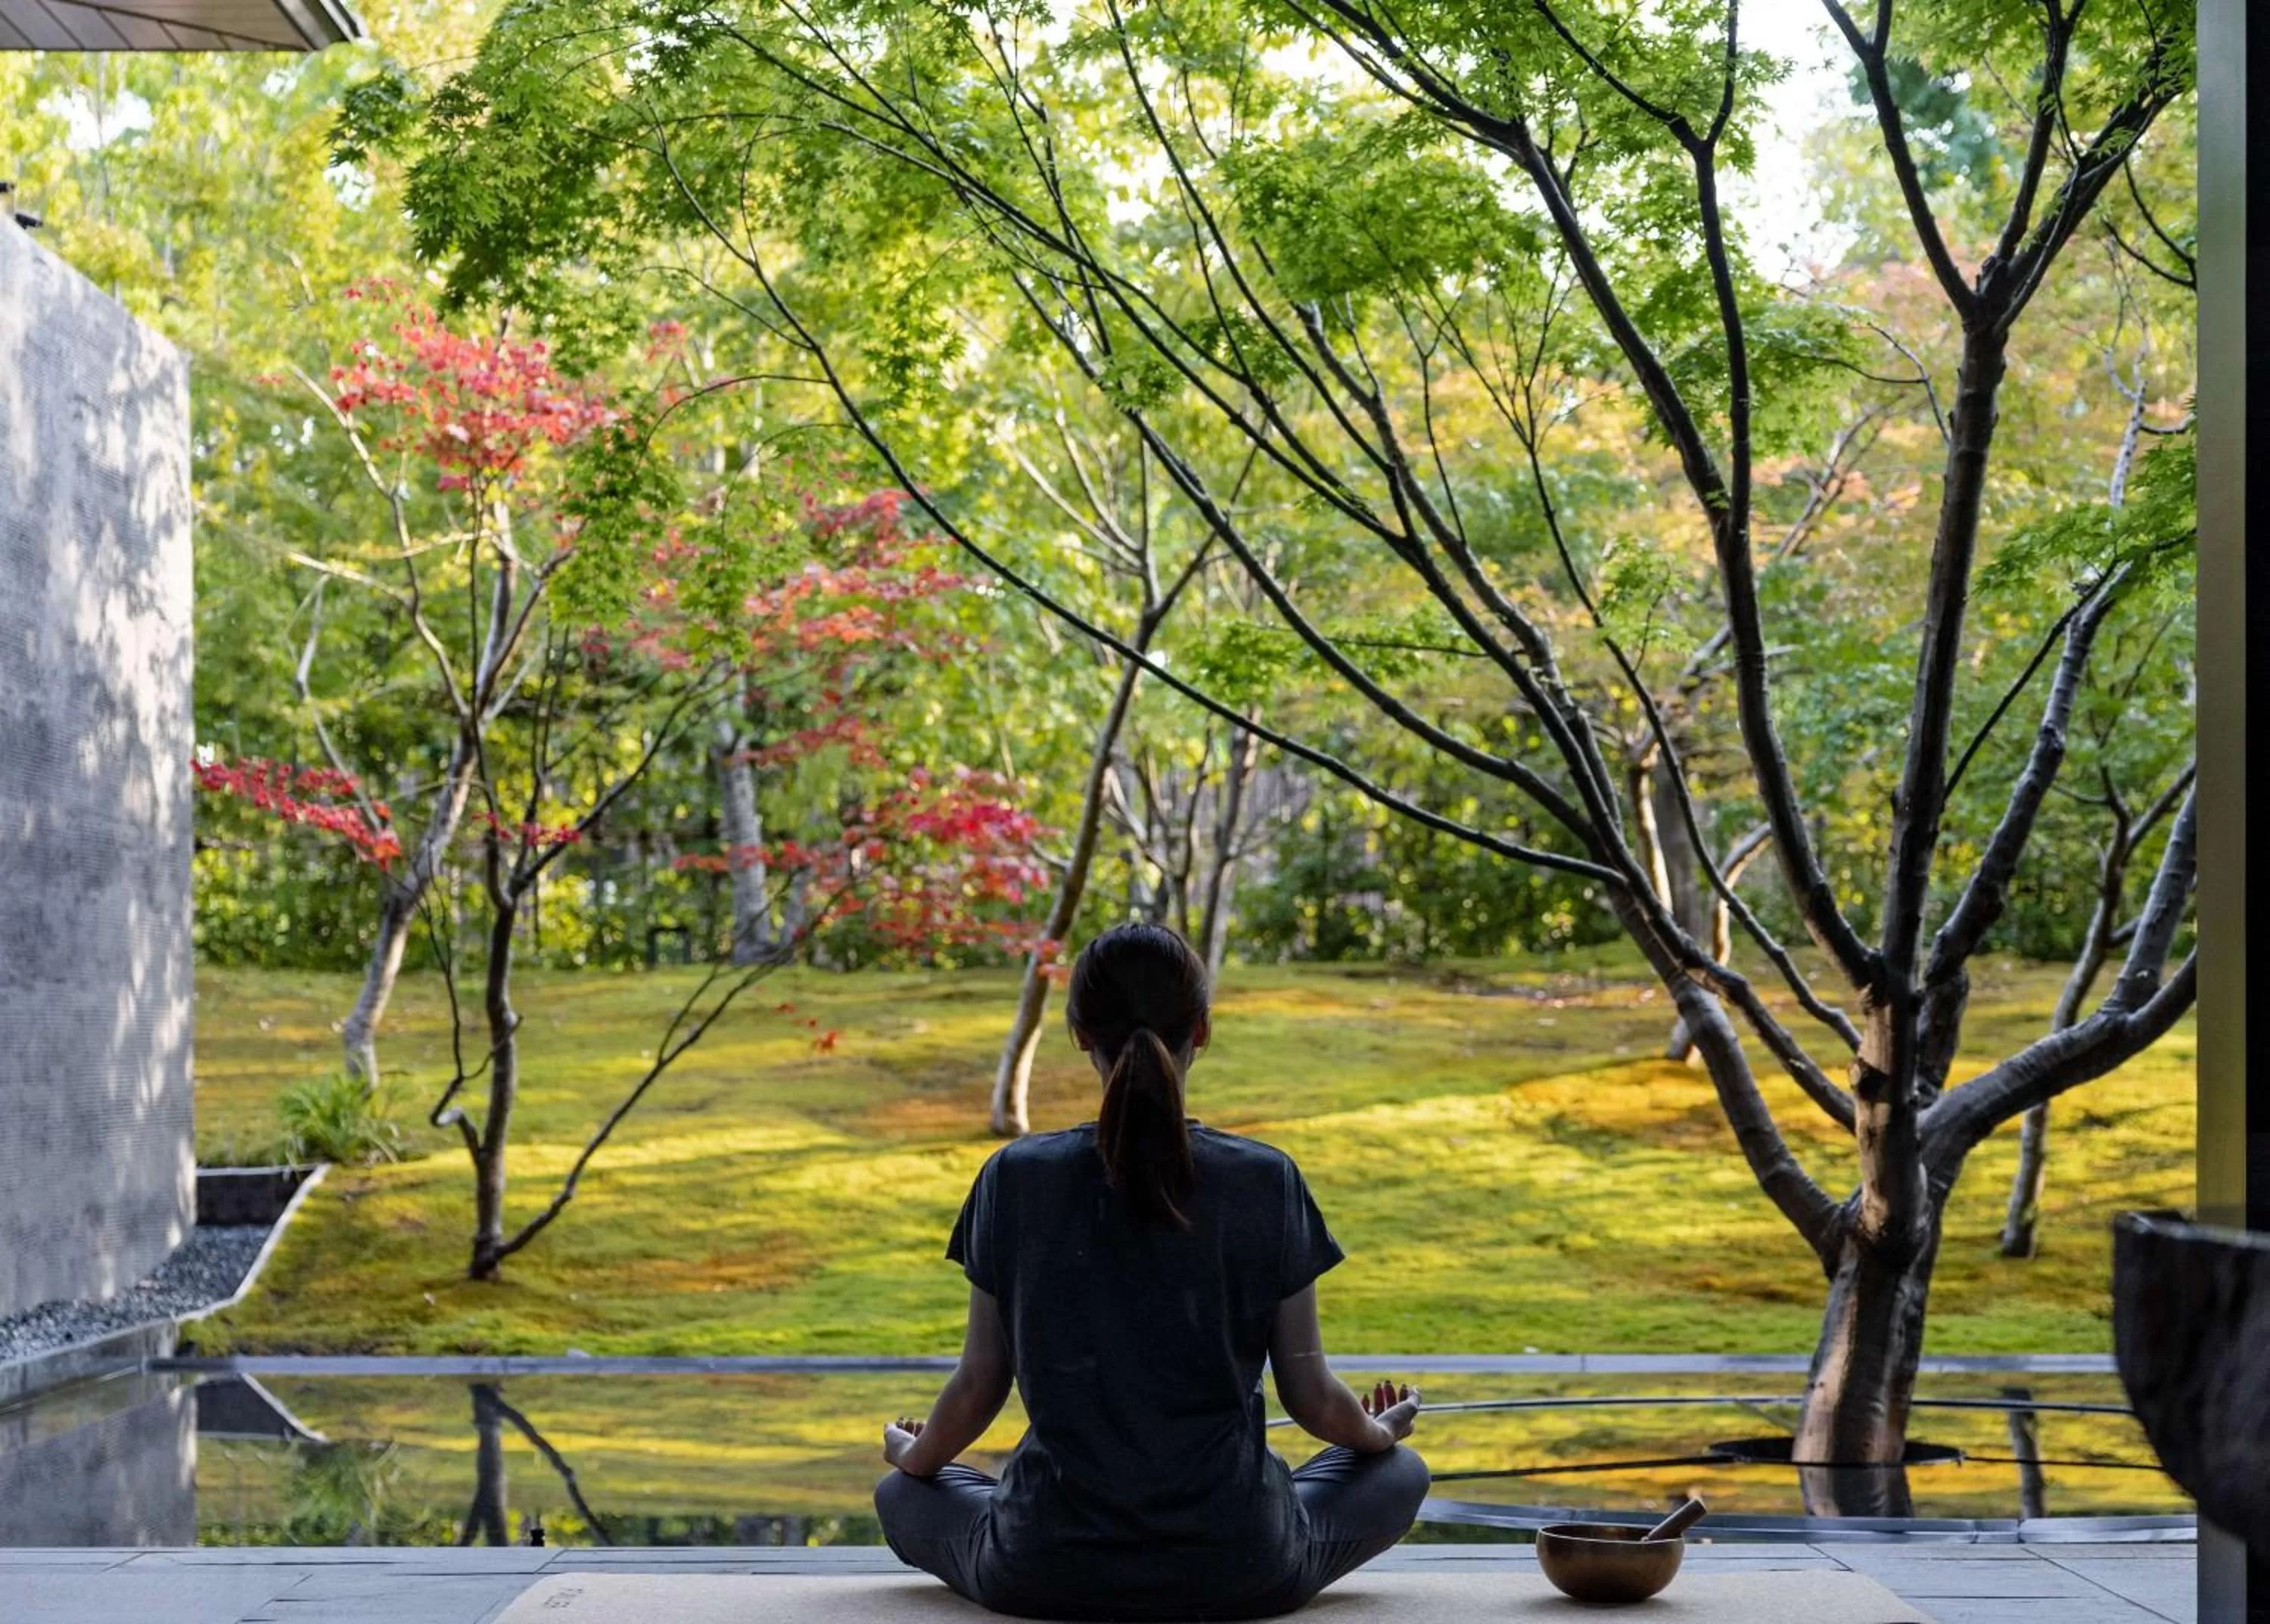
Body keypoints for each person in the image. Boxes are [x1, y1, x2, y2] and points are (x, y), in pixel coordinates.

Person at [875, 922, 1428, 1621]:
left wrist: (915, 1456)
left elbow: (980, 1384)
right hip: (1239, 1565)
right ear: (1202, 1028)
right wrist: (1381, 1435)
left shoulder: (1013, 1177)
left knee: (900, 1494)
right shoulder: (1266, 1179)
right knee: (1400, 1473)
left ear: (1079, 1033)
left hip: (1045, 1565)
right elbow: (1312, 1398)